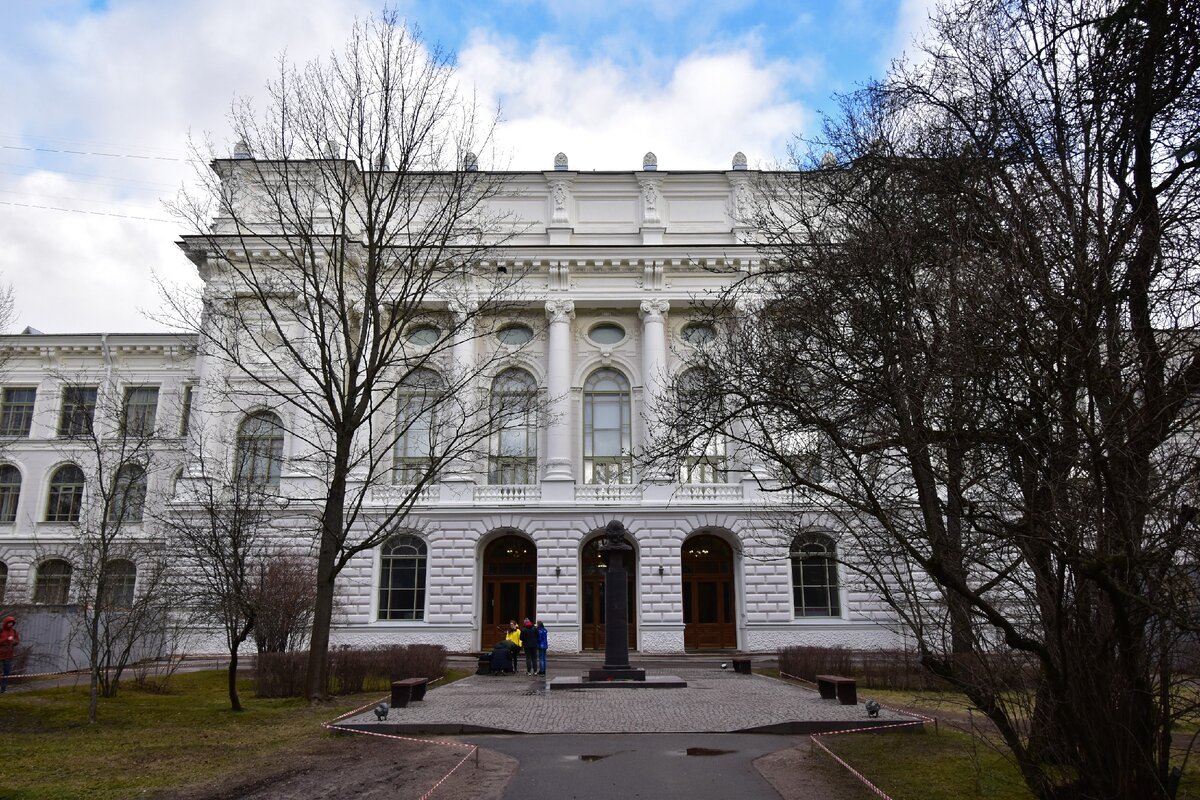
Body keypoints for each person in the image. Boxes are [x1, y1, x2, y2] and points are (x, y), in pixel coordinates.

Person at [0, 616, 18, 693]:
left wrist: (14, 641)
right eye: (9, 623)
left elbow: (17, 642)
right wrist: (6, 639)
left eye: (12, 623)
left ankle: (3, 689)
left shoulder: (14, 631)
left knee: (7, 673)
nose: (10, 624)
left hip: (9, 656)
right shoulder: (0, 631)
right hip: (0, 656)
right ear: (5, 623)